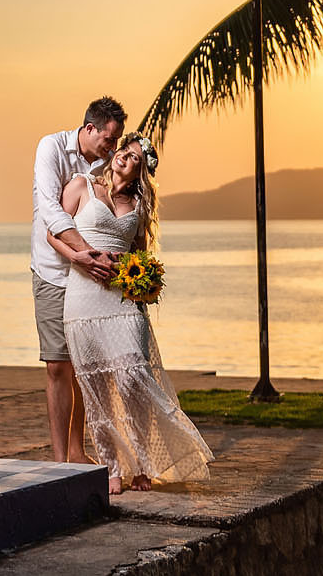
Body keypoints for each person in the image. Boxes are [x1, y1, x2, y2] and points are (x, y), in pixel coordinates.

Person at [51, 132, 213, 495]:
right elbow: (53, 234)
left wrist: (144, 282)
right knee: (98, 391)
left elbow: (140, 254)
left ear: (140, 170)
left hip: (123, 304)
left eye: (136, 157)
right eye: (125, 150)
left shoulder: (139, 205)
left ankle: (142, 463)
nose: (126, 156)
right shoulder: (81, 186)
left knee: (133, 381)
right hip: (83, 299)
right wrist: (78, 257)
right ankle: (112, 467)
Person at [31, 97, 127, 461]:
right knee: (58, 365)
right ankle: (59, 459)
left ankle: (77, 449)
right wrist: (84, 254)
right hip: (54, 272)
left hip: (91, 277)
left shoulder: (105, 164)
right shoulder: (51, 147)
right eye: (108, 139)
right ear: (89, 129)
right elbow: (50, 212)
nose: (112, 148)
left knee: (83, 364)